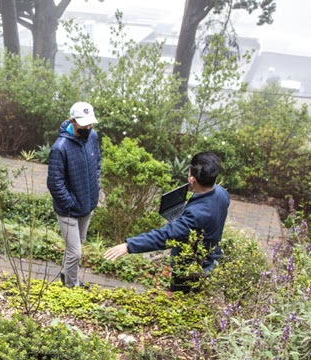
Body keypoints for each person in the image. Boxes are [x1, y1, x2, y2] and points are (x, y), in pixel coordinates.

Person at [103, 151, 230, 292]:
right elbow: (204, 212)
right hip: (209, 259)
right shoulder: (221, 193)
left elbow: (165, 235)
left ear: (192, 180)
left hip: (191, 271)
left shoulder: (196, 215)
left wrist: (129, 246)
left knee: (181, 302)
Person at [47, 101, 102, 287]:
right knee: (75, 252)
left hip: (88, 204)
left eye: (90, 123)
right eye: (83, 123)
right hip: (69, 210)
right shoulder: (60, 147)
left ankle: (65, 273)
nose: (88, 127)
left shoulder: (92, 136)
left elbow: (97, 162)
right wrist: (70, 203)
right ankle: (72, 287)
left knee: (77, 244)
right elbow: (55, 183)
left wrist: (95, 187)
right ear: (72, 121)